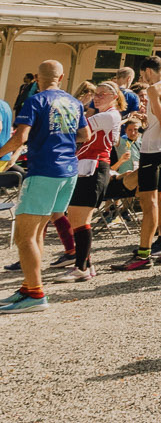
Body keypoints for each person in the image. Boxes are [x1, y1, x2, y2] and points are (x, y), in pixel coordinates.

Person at [0, 60, 90, 313]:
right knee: (37, 231)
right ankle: (28, 287)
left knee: (24, 236)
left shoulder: (36, 100)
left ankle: (36, 294)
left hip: (44, 171)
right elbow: (85, 135)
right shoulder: (74, 102)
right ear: (61, 77)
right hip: (68, 170)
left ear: (37, 79)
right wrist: (61, 139)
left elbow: (21, 137)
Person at [116, 55, 161, 271]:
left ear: (148, 71)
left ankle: (144, 253)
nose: (142, 79)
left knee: (149, 203)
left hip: (153, 149)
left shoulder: (155, 89)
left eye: (142, 75)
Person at [51, 81, 121, 284]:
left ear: (114, 97)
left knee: (79, 218)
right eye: (96, 94)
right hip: (89, 166)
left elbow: (76, 130)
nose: (97, 98)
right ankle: (85, 264)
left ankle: (81, 267)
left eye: (102, 94)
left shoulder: (107, 116)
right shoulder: (108, 115)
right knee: (77, 218)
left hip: (93, 167)